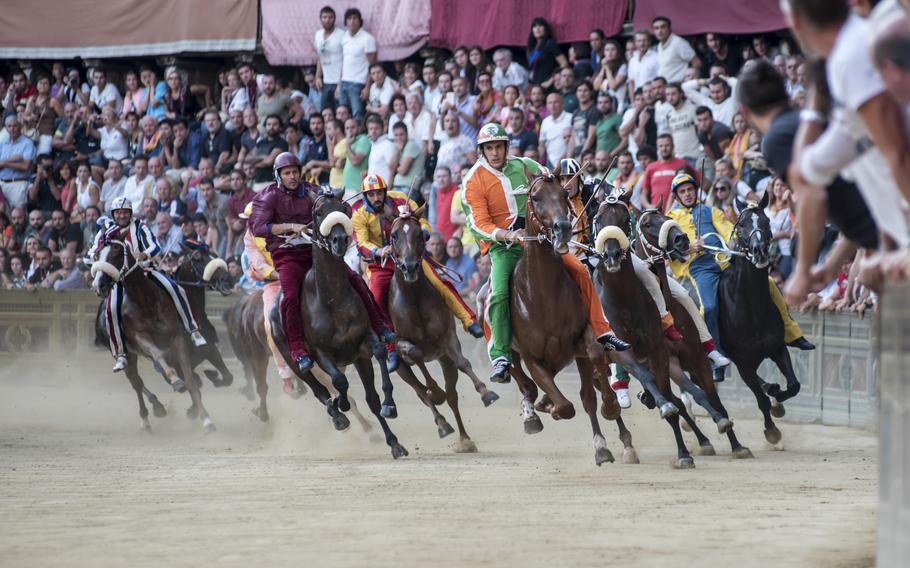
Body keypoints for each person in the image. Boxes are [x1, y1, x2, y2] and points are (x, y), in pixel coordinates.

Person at [461, 123, 630, 382]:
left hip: (540, 239)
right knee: (498, 293)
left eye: (498, 146)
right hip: (504, 247)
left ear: (506, 147)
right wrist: (507, 234)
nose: (495, 152)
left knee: (580, 270)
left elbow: (553, 188)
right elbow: (477, 223)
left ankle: (602, 331)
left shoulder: (528, 166)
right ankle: (501, 355)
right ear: (482, 151)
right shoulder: (473, 180)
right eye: (489, 148)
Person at [248, 152, 395, 372]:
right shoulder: (268, 196)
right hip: (287, 255)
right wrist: (290, 226)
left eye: (295, 172)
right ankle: (298, 350)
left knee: (355, 278)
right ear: (278, 176)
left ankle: (380, 326)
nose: (292, 177)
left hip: (315, 251)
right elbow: (258, 227)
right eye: (287, 173)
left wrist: (335, 203)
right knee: (289, 297)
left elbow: (338, 208)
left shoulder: (311, 191)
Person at [666, 174, 813, 356]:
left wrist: (736, 240)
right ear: (677, 196)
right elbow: (669, 251)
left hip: (725, 261)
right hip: (699, 269)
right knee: (709, 307)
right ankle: (714, 353)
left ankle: (792, 334)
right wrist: (690, 248)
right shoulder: (670, 221)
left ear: (696, 190)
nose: (688, 194)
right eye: (682, 191)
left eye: (690, 189)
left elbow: (728, 232)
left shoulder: (711, 211)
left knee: (768, 282)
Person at [352, 174, 483, 353]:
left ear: (384, 192)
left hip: (412, 256)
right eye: (371, 194)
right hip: (381, 264)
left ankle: (469, 320)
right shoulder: (358, 213)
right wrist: (379, 251)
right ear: (365, 196)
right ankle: (391, 348)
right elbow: (361, 242)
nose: (376, 198)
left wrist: (423, 232)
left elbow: (423, 222)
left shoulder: (400, 199)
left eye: (379, 193)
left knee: (439, 282)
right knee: (375, 297)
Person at [90, 197, 207, 371]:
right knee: (111, 310)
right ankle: (121, 353)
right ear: (113, 215)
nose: (122, 215)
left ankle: (193, 330)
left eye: (125, 212)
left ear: (130, 213)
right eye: (118, 213)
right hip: (118, 278)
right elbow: (95, 251)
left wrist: (143, 255)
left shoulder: (140, 226)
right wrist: (96, 256)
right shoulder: (108, 233)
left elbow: (154, 247)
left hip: (145, 271)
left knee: (175, 288)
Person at [337, 8, 377, 119]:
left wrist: (367, 87)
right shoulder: (344, 37)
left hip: (358, 83)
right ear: (345, 22)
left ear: (360, 21)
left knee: (357, 115)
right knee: (342, 115)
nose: (352, 21)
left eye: (355, 18)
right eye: (349, 18)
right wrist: (339, 85)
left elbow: (372, 66)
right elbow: (343, 62)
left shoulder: (368, 39)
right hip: (344, 82)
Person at [641, 134, 690, 210]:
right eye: (661, 146)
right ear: (657, 147)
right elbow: (643, 194)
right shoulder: (651, 167)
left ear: (673, 146)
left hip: (678, 212)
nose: (664, 148)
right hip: (656, 214)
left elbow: (700, 183)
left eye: (667, 145)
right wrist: (649, 207)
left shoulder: (683, 164)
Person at [0, 115, 37, 211]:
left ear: (20, 126)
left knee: (18, 216)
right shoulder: (3, 144)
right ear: (6, 128)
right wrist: (12, 159)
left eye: (15, 126)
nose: (12, 129)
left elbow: (25, 166)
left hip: (18, 184)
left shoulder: (27, 143)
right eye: (9, 126)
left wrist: (4, 163)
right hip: (1, 183)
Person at [652, 16, 700, 83]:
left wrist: (686, 82)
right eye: (656, 28)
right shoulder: (659, 46)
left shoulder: (679, 43)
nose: (659, 31)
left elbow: (697, 63)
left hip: (677, 87)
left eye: (663, 27)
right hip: (665, 88)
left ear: (669, 28)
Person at [527, 17, 568, 89]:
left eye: (540, 26)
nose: (537, 29)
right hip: (535, 85)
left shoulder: (550, 44)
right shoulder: (532, 48)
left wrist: (551, 80)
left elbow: (564, 63)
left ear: (545, 29)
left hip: (547, 85)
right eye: (535, 26)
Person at [538, 93, 573, 169]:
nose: (552, 105)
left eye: (555, 102)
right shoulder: (545, 122)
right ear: (546, 105)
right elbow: (542, 144)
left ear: (562, 104)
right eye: (550, 103)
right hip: (550, 163)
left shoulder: (570, 118)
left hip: (568, 162)